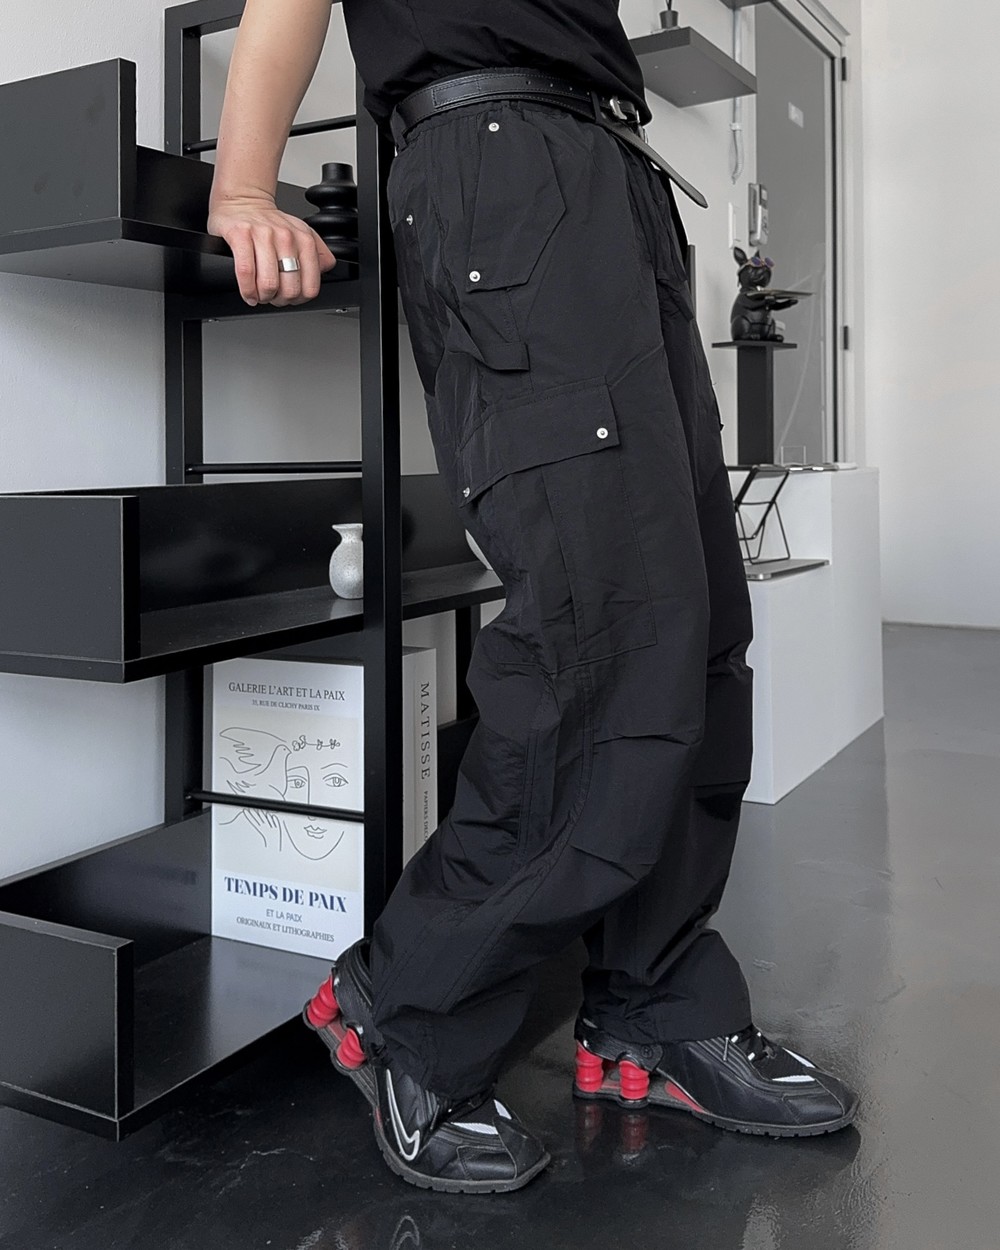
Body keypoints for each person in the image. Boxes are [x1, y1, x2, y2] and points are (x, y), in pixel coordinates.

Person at [208, 0, 858, 1195]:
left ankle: (654, 1003)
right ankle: (405, 1003)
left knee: (698, 626)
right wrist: (243, 186)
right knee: (600, 628)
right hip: (502, 166)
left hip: (612, 177)